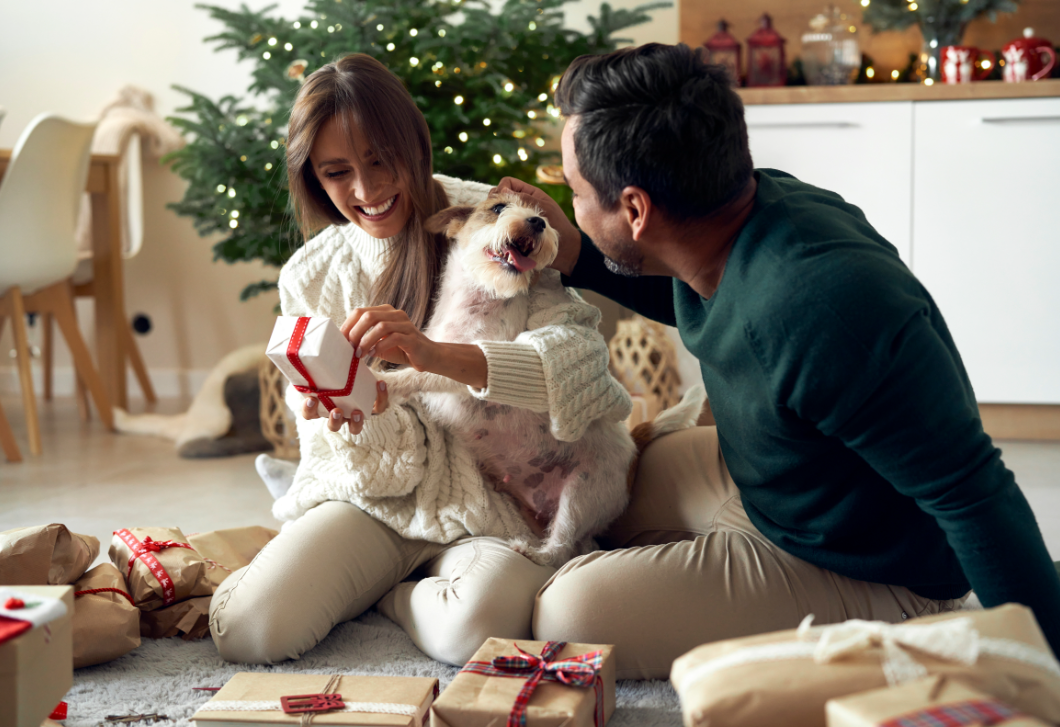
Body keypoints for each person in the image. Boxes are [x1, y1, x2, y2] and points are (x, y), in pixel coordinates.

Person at [495, 43, 1060, 679]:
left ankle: (893, 624)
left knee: (566, 613)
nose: (567, 204)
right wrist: (570, 251)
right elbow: (685, 285)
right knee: (615, 483)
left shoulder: (823, 308)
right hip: (777, 487)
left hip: (872, 564)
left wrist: (1038, 667)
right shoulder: (733, 216)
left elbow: (975, 496)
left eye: (574, 192)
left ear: (634, 209)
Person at [208, 53, 632, 665]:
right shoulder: (311, 274)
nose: (367, 189)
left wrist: (439, 357)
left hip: (493, 504)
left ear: (413, 141)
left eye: (380, 159)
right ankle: (327, 546)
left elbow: (580, 361)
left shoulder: (491, 219)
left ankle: (392, 598)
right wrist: (342, 410)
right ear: (314, 179)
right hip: (375, 504)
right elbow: (348, 453)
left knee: (476, 630)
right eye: (337, 172)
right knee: (250, 631)